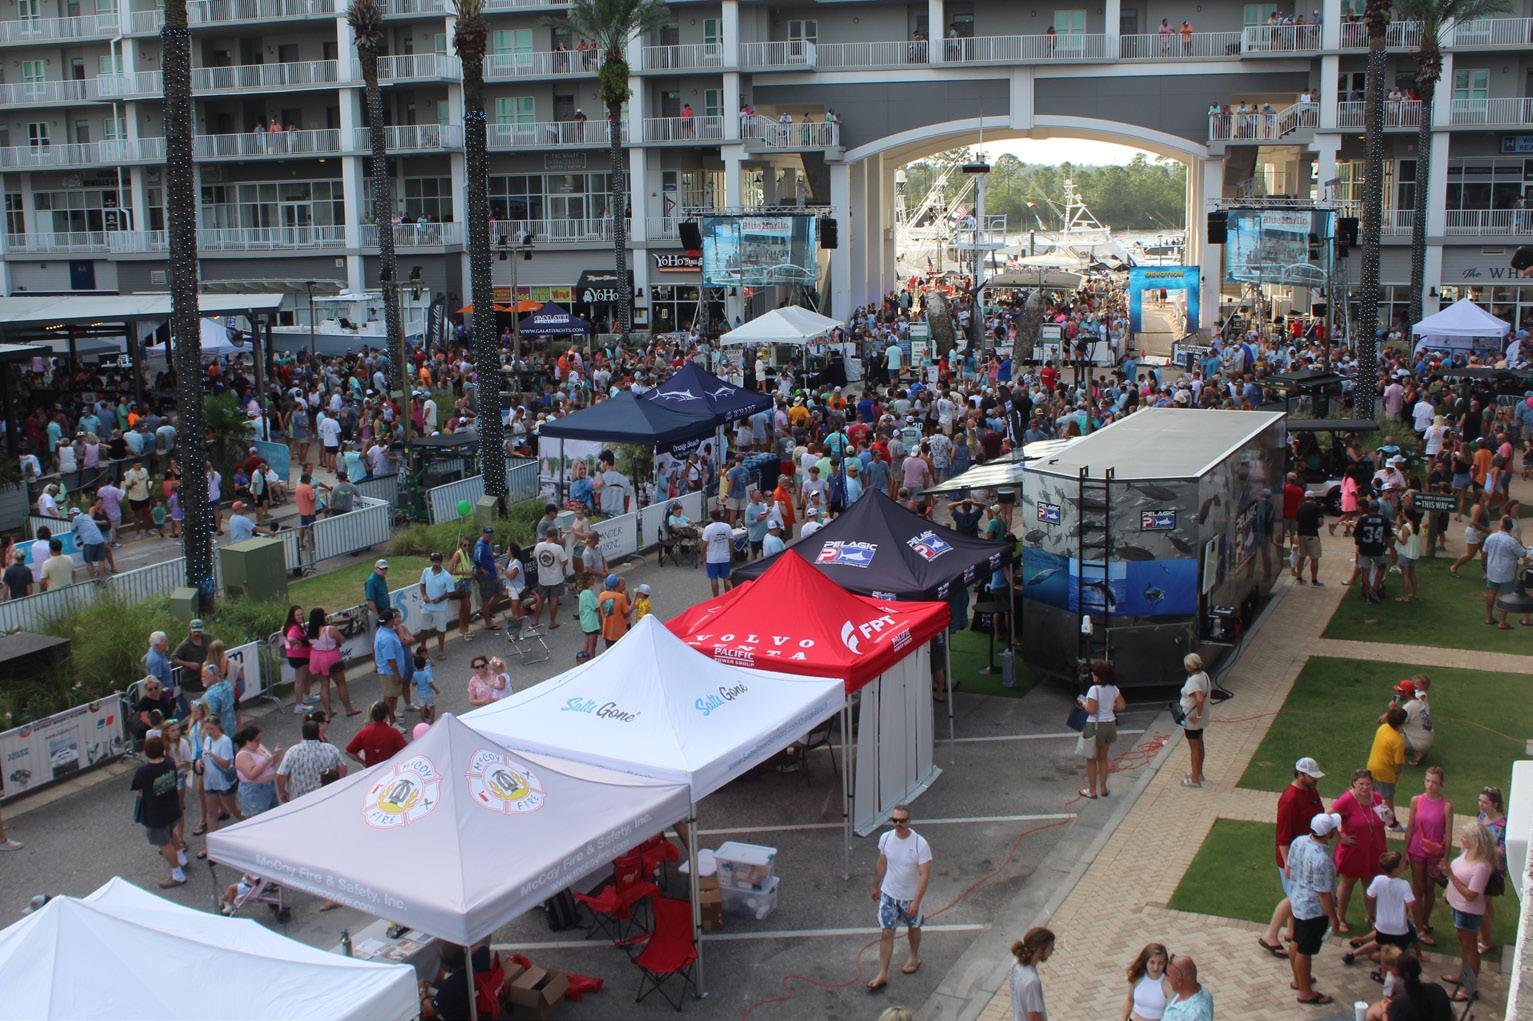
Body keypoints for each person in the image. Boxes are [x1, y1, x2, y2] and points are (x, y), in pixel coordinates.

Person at [1260, 756, 1327, 957]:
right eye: (1312, 776)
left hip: (1306, 855)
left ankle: (1291, 930)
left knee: (1296, 895)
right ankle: (1270, 935)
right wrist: (1288, 863)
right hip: (1293, 858)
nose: (1316, 779)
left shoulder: (1311, 791)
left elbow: (1320, 816)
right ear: (1301, 774)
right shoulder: (1289, 799)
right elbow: (1283, 837)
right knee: (1294, 897)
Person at [867, 804, 932, 992]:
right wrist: (875, 885)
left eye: (902, 821)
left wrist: (916, 901)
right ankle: (882, 973)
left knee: (913, 927)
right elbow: (882, 863)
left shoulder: (920, 844)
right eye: (894, 820)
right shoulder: (886, 838)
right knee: (886, 932)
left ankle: (914, 956)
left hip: (910, 897)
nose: (897, 824)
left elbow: (925, 875)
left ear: (909, 821)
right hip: (889, 895)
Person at [1286, 811, 1344, 1005]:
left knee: (1296, 941)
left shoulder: (1299, 842)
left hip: (1297, 901)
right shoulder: (1322, 859)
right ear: (1329, 833)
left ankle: (1298, 979)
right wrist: (1334, 918)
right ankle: (1305, 992)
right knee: (1305, 950)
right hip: (1312, 911)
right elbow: (1323, 893)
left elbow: (1289, 870)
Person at [1443, 822, 1496, 1000]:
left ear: (1475, 840)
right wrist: (1448, 891)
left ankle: (1469, 989)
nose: (1462, 838)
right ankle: (1462, 977)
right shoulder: (1467, 853)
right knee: (1465, 946)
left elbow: (1471, 895)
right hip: (1457, 907)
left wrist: (1450, 876)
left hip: (1468, 911)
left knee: (1470, 948)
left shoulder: (1482, 866)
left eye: (1466, 836)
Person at [1331, 768, 1388, 932]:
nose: (1365, 787)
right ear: (1354, 783)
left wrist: (1390, 818)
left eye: (1368, 784)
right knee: (1348, 883)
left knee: (1370, 883)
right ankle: (1340, 917)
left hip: (1375, 849)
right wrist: (1340, 837)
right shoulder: (1347, 800)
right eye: (1361, 784)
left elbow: (1387, 819)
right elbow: (1328, 817)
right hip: (1353, 850)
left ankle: (1370, 916)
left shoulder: (1377, 798)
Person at [130, 736, 188, 888]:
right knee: (171, 833)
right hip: (173, 807)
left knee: (163, 843)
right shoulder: (169, 762)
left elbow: (137, 786)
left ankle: (177, 874)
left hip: (156, 813)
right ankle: (181, 858)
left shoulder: (144, 771)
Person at [1404, 766, 1452, 946]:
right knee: (1418, 887)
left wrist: (1445, 857)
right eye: (1428, 781)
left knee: (1429, 888)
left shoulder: (1446, 806)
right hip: (1417, 848)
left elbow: (1448, 834)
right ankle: (1419, 928)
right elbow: (1410, 826)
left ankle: (1424, 921)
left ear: (1441, 784)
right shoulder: (1416, 800)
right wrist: (1405, 850)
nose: (1430, 785)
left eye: (1434, 782)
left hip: (1435, 852)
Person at [1348, 850, 1416, 968]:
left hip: (1382, 925)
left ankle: (1354, 954)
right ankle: (1380, 964)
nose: (1405, 863)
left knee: (1380, 942)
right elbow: (1411, 903)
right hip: (1399, 927)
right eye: (1402, 863)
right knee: (1396, 953)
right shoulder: (1404, 884)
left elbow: (1370, 896)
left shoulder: (1378, 879)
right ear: (1395, 869)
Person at [1077, 659, 1124, 799]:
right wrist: (1110, 707)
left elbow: (1091, 710)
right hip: (1110, 724)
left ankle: (1092, 791)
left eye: (1093, 673)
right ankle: (1103, 788)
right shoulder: (1114, 689)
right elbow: (1122, 706)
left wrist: (1083, 703)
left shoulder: (1094, 689)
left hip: (1095, 726)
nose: (1092, 675)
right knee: (1103, 758)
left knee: (1091, 759)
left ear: (1098, 676)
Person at [276, 716, 346, 803]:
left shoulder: (292, 752)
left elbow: (281, 775)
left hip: (301, 799)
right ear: (318, 733)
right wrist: (338, 784)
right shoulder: (331, 749)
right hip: (327, 795)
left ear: (303, 734)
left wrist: (282, 792)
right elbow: (343, 767)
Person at [306, 607, 359, 716]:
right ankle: (349, 709)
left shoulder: (309, 632)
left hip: (316, 658)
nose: (326, 616)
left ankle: (328, 711)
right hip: (331, 658)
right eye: (324, 615)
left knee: (324, 686)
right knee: (341, 684)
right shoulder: (330, 629)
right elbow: (342, 640)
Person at [198, 715, 241, 848]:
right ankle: (210, 847)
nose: (209, 732)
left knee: (233, 809)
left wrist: (211, 754)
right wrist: (199, 762)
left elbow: (226, 764)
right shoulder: (207, 740)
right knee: (211, 813)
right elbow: (203, 757)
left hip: (224, 783)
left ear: (218, 727)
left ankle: (251, 825)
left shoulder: (225, 741)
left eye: (211, 728)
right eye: (206, 729)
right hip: (210, 781)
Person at [1475, 786, 1507, 957]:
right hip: (1480, 865)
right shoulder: (1481, 816)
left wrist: (1485, 847)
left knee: (1482, 905)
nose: (1481, 805)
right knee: (1486, 904)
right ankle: (1486, 935)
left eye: (1485, 802)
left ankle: (1486, 940)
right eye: (1480, 801)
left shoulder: (1503, 825)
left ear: (1495, 804)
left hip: (1492, 870)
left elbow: (1503, 850)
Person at [1480, 515, 1527, 628]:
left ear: (1501, 525)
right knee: (1507, 596)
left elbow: (1484, 553)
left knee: (1491, 592)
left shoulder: (1491, 537)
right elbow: (1523, 554)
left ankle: (1489, 618)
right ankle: (1502, 622)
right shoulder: (1512, 541)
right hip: (1507, 573)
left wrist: (1484, 566)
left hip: (1492, 571)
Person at [1366, 707, 1408, 827]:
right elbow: (1398, 764)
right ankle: (1391, 824)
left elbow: (1382, 721)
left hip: (1371, 767)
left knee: (1372, 793)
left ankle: (1372, 815)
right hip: (1385, 773)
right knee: (1387, 798)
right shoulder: (1398, 741)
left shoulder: (1382, 728)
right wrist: (1397, 775)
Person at [1385, 952, 1454, 1020]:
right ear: (1419, 969)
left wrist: (1384, 1013)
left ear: (1399, 973)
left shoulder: (1400, 1003)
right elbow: (1451, 1016)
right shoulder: (1437, 989)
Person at [233, 725, 280, 818]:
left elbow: (271, 763)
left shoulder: (259, 747)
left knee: (274, 816)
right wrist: (265, 761)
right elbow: (251, 775)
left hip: (269, 786)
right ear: (248, 741)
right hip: (255, 790)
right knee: (260, 818)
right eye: (256, 740)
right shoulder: (243, 755)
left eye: (260, 739)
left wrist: (276, 754)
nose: (259, 742)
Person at [1008, 927, 1055, 1021]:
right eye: (1050, 947)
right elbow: (1034, 1018)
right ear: (1041, 951)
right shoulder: (1032, 981)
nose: (1053, 950)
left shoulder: (1016, 963)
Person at [1179, 653, 1210, 787]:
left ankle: (1195, 779)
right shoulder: (1204, 675)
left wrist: (1197, 715)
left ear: (1189, 666)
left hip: (1192, 720)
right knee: (1199, 743)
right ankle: (1198, 773)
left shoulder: (1193, 681)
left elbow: (1199, 699)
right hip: (1200, 719)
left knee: (1194, 748)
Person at [373, 608, 409, 723]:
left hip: (389, 671)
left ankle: (391, 716)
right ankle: (391, 722)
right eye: (394, 618)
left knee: (391, 696)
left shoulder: (384, 631)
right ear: (390, 621)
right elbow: (390, 659)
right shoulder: (387, 638)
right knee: (390, 698)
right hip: (390, 672)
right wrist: (397, 674)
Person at [345, 701, 407, 767]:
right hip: (390, 768)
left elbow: (349, 752)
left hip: (372, 769)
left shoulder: (363, 733)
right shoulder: (394, 732)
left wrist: (363, 762)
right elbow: (406, 750)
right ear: (386, 716)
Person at [417, 552, 454, 660]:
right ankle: (423, 649)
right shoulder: (426, 571)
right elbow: (422, 584)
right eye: (433, 561)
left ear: (441, 562)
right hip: (427, 606)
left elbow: (450, 592)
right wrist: (424, 595)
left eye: (437, 561)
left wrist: (440, 599)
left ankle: (441, 651)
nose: (435, 564)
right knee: (423, 629)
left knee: (441, 630)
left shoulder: (447, 576)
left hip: (440, 608)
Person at [1122, 942, 1172, 1021]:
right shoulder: (1137, 977)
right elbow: (1129, 1001)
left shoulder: (1168, 984)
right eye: (1152, 962)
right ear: (1145, 961)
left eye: (1160, 963)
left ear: (1165, 963)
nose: (1156, 967)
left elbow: (1171, 1013)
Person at [282, 604, 315, 713]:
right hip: (299, 657)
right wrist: (298, 643)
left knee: (307, 676)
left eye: (301, 614)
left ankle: (307, 696)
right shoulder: (294, 627)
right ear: (292, 616)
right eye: (297, 615)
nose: (300, 616)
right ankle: (299, 705)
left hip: (301, 656)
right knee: (299, 681)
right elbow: (290, 638)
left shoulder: (296, 625)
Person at [532, 530, 567, 630]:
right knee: (554, 599)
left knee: (541, 599)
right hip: (556, 578)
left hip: (543, 578)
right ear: (555, 536)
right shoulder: (557, 548)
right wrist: (558, 566)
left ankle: (535, 620)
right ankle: (552, 622)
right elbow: (565, 561)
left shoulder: (538, 546)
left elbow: (535, 558)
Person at [1161, 955, 1212, 1021]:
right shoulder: (1204, 992)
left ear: (1179, 981)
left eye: (1169, 976)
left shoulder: (1189, 1015)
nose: (1167, 979)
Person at [701, 508, 734, 596]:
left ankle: (716, 597)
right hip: (724, 556)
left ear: (711, 517)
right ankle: (728, 596)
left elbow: (704, 545)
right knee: (726, 577)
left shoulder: (708, 528)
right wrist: (731, 553)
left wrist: (702, 558)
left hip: (712, 558)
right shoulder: (727, 527)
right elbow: (731, 542)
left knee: (713, 578)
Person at [1293, 490, 1324, 585]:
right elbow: (1320, 522)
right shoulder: (1316, 508)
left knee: (1301, 556)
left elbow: (1297, 522)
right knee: (1314, 558)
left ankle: (1299, 577)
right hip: (1312, 534)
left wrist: (1297, 534)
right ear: (1313, 498)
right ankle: (1314, 580)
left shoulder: (1300, 508)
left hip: (1301, 534)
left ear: (1305, 497)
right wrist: (1316, 526)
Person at [597, 573, 631, 649]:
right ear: (616, 585)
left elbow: (601, 612)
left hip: (607, 632)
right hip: (620, 632)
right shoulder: (621, 597)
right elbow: (626, 612)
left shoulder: (601, 595)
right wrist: (634, 602)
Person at [412, 646, 439, 724]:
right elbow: (430, 684)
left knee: (422, 706)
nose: (426, 656)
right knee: (432, 706)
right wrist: (436, 690)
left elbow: (414, 684)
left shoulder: (415, 673)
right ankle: (431, 721)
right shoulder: (427, 674)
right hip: (429, 692)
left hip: (420, 693)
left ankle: (423, 720)